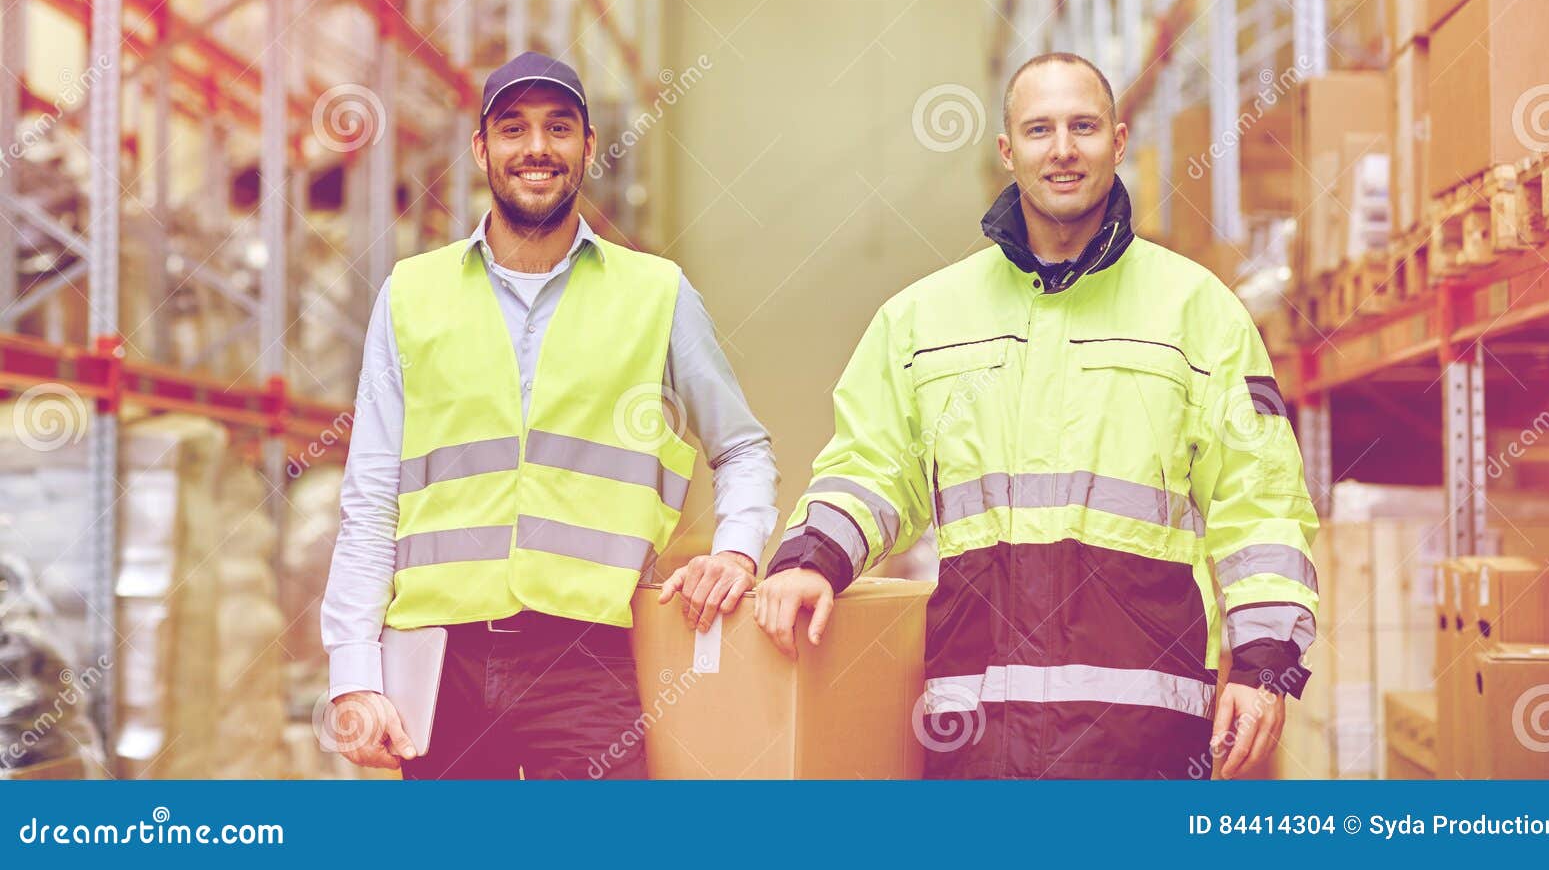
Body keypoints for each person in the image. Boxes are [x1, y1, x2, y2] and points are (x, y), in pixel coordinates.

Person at [755, 51, 1319, 779]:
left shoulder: (1198, 311)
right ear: (1007, 150)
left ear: (1118, 141)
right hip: (976, 734)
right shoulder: (923, 318)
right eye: (1039, 129)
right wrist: (812, 559)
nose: (1062, 149)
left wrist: (1265, 662)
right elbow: (872, 467)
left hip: (1145, 738)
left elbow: (1261, 499)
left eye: (1083, 126)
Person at [321, 51, 778, 779]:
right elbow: (371, 494)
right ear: (482, 150)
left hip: (588, 660)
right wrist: (354, 669)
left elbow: (742, 447)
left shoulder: (656, 293)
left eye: (559, 127)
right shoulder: (410, 294)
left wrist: (737, 551)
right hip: (441, 660)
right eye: (514, 128)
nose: (537, 147)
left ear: (588, 148)